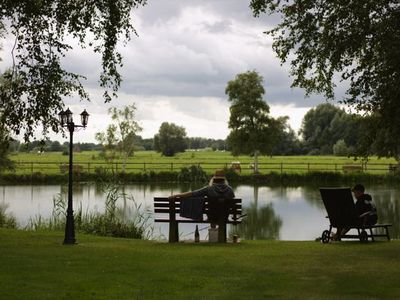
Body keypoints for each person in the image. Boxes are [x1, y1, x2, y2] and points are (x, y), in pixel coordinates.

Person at [169, 170, 235, 226]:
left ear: (214, 178)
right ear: (224, 179)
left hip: (212, 217)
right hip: (224, 217)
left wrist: (176, 195)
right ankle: (220, 237)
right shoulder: (230, 189)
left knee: (212, 211)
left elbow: (192, 193)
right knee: (222, 210)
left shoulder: (209, 189)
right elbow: (233, 204)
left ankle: (213, 234)